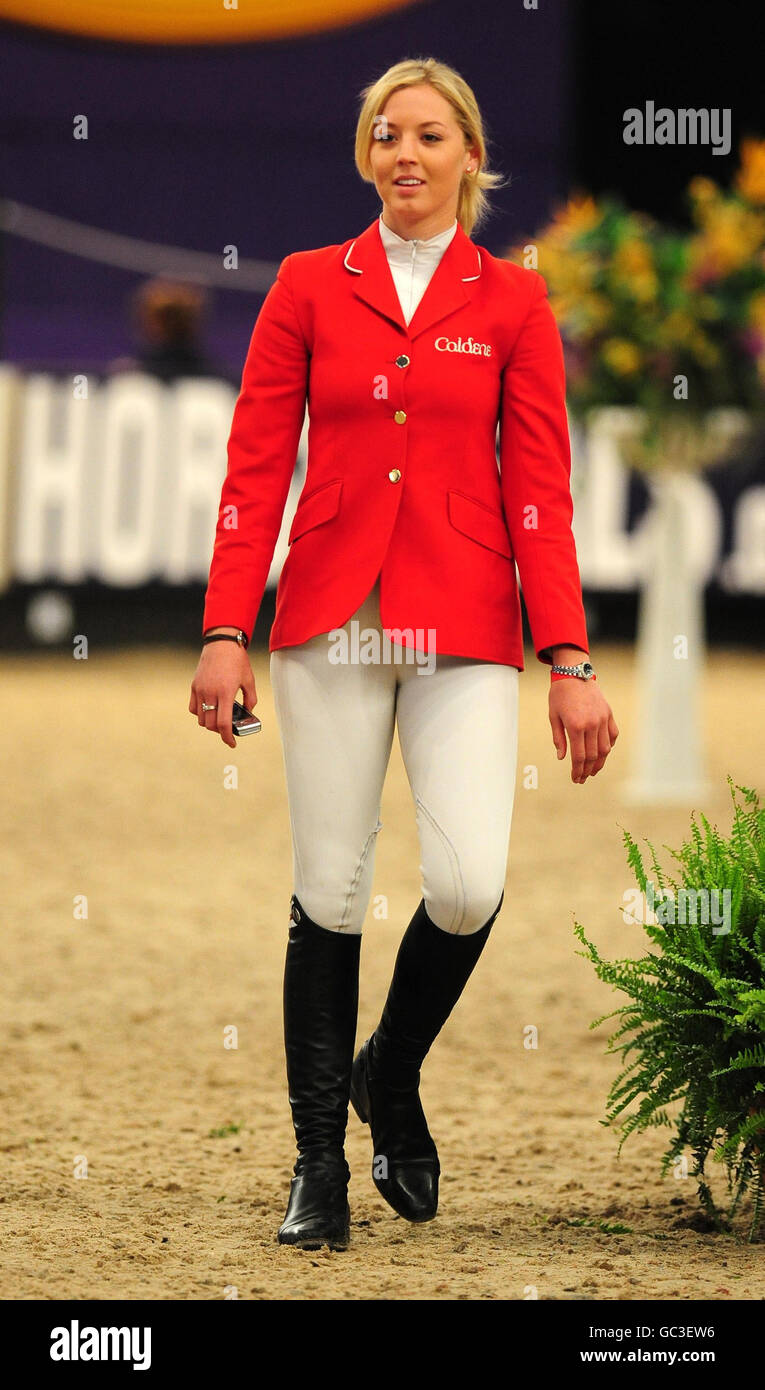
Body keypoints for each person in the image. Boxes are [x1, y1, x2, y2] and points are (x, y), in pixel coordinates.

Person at [189, 56, 618, 1251]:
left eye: (431, 135)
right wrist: (227, 628)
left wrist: (569, 654)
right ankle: (317, 1168)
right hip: (328, 614)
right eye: (388, 135)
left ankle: (392, 1065)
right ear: (368, 154)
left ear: (472, 155)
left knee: (470, 880)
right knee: (327, 893)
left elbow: (541, 489)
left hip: (465, 619)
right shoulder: (305, 286)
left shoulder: (516, 303)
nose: (408, 155)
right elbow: (255, 466)